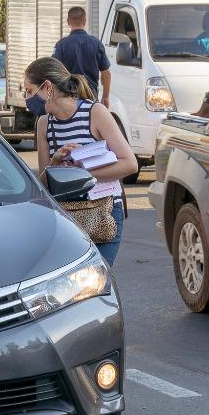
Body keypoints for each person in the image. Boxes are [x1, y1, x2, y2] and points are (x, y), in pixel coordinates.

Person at [25, 57, 137, 265]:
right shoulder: (44, 124)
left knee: (98, 279)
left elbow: (129, 163)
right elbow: (43, 183)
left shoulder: (94, 113)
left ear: (47, 87)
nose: (27, 99)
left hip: (104, 211)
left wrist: (81, 174)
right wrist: (55, 163)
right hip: (68, 218)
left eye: (30, 91)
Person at [52, 6, 111, 109]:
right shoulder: (96, 44)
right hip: (90, 99)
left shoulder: (61, 45)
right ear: (85, 21)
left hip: (68, 100)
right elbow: (106, 73)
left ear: (67, 21)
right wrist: (105, 97)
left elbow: (53, 72)